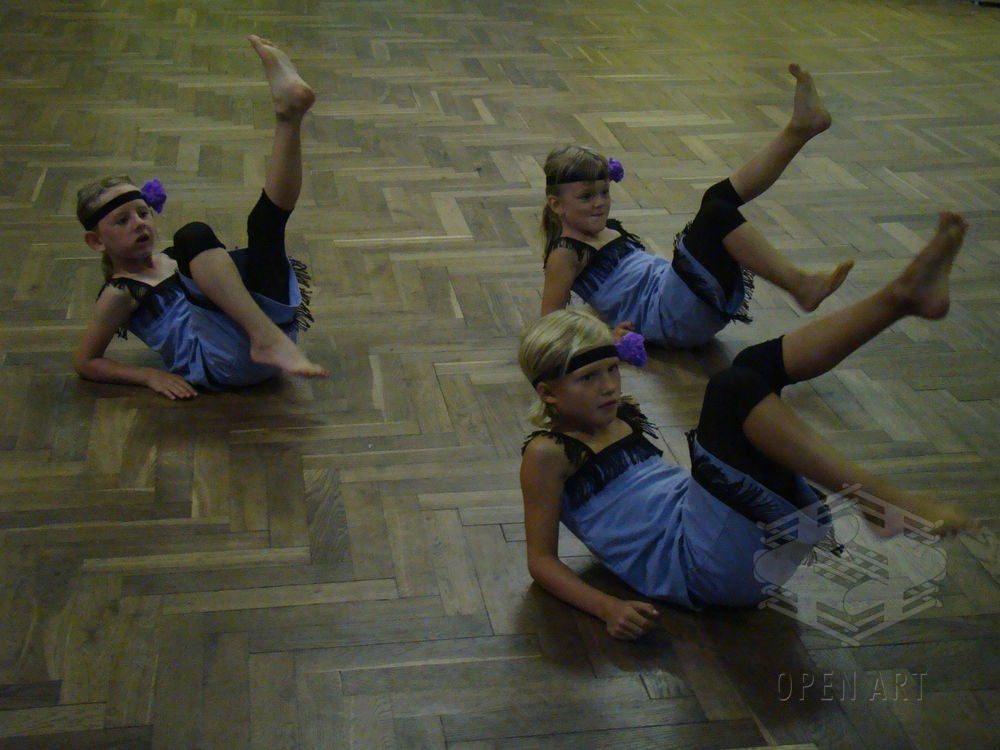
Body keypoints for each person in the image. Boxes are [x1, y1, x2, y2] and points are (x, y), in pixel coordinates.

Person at [519, 212, 973, 640]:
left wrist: (606, 342)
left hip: (740, 538)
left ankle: (900, 299)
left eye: (610, 371)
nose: (607, 387)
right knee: (731, 389)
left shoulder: (612, 413)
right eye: (588, 379)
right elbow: (540, 561)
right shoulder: (546, 453)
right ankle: (875, 498)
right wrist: (607, 608)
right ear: (548, 394)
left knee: (752, 368)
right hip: (702, 566)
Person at [73, 35, 328, 400]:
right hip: (223, 363)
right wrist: (147, 375)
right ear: (96, 241)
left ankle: (289, 116)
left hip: (269, 341)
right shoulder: (120, 292)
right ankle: (265, 338)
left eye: (142, 213)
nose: (139, 223)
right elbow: (86, 361)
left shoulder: (176, 262)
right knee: (193, 235)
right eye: (122, 220)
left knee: (265, 228)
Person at [539, 64, 855, 348]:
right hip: (670, 316)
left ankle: (798, 130)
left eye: (604, 193)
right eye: (586, 197)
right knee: (715, 211)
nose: (599, 203)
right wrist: (606, 337)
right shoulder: (564, 252)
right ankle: (801, 285)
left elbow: (612, 293)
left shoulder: (598, 231)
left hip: (680, 298)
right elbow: (548, 325)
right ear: (556, 204)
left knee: (718, 199)